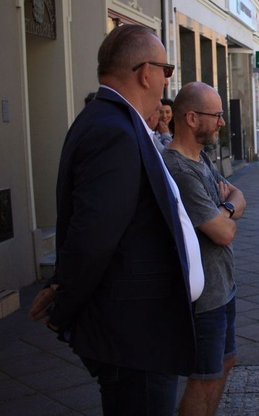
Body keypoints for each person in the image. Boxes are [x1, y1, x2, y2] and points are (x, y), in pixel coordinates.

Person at [29, 24, 204, 415]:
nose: (166, 81)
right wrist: (64, 308)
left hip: (142, 329)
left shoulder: (114, 122)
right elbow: (93, 236)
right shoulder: (114, 130)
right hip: (135, 336)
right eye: (166, 70)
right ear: (145, 73)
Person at [163, 82, 247, 416]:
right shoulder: (179, 169)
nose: (223, 123)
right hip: (204, 296)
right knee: (204, 378)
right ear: (192, 118)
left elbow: (239, 195)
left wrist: (228, 208)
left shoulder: (201, 158)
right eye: (217, 116)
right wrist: (227, 209)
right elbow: (224, 232)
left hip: (223, 285)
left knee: (226, 363)